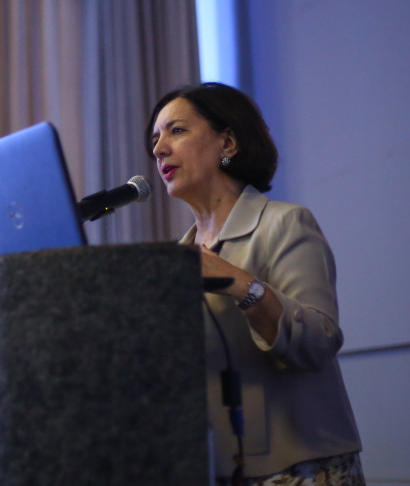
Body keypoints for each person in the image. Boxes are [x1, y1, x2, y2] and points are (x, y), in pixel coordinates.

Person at [145, 82, 363, 485]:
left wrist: (240, 284)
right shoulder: (177, 257)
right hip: (213, 468)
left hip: (299, 467)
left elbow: (319, 341)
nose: (159, 149)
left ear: (227, 142)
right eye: (155, 138)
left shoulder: (284, 223)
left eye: (176, 131)